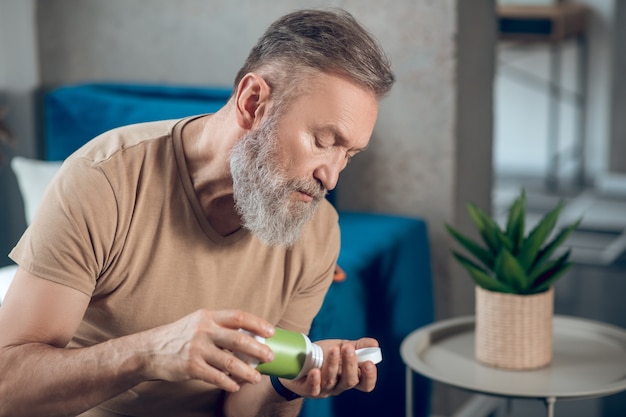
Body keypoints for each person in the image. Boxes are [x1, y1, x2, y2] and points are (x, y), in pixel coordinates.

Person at [0, 7, 394, 417]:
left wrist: (284, 383)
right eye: (322, 140)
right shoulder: (105, 180)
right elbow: (7, 387)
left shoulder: (315, 228)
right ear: (253, 102)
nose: (330, 177)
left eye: (348, 154)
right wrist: (149, 353)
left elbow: (242, 405)